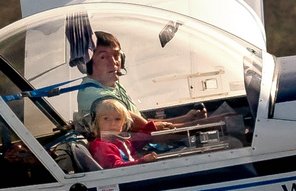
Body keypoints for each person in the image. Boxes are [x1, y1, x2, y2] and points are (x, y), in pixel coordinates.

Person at [76, 30, 205, 138]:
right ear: (87, 63)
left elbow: (144, 124)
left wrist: (187, 119)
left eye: (116, 55)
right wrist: (209, 124)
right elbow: (152, 132)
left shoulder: (111, 87)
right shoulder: (98, 97)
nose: (114, 62)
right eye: (103, 57)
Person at [88, 98, 157, 168]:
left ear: (124, 123)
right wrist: (142, 161)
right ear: (97, 122)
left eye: (117, 119)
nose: (112, 123)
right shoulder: (101, 146)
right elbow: (117, 168)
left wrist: (149, 129)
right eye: (106, 119)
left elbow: (133, 145)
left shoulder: (116, 140)